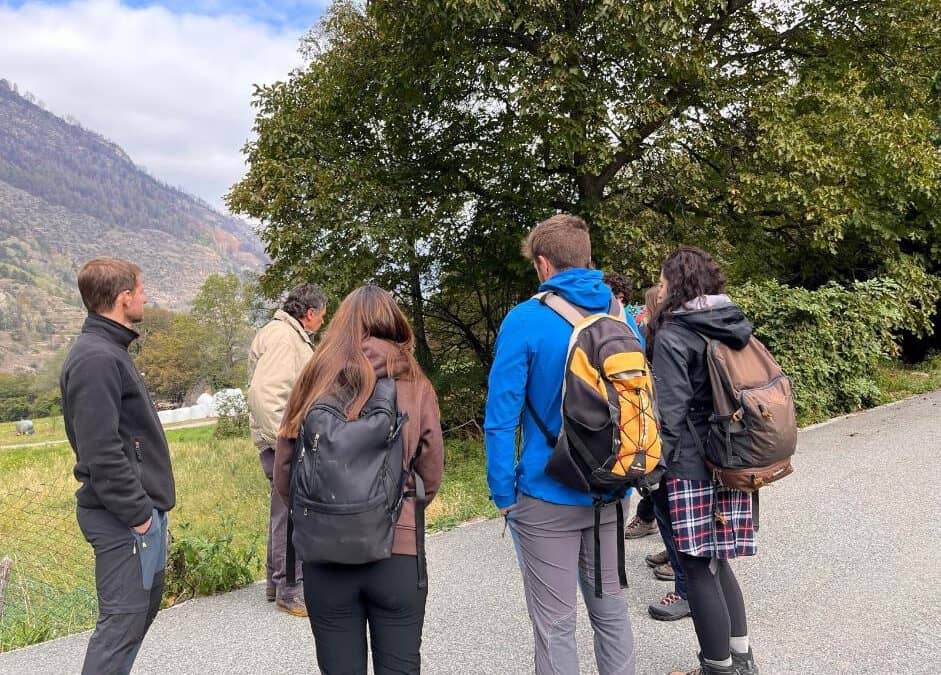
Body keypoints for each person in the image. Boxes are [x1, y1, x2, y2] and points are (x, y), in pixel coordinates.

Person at [485, 214, 637, 675]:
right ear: (588, 258)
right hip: (611, 487)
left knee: (555, 626)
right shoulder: (621, 315)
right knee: (611, 614)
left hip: (546, 489)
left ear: (544, 265)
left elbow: (500, 418)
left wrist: (503, 493)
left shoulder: (526, 320)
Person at [273, 284, 444, 675]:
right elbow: (430, 471)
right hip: (396, 553)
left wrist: (323, 513)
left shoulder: (312, 380)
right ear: (393, 324)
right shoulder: (414, 384)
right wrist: (395, 509)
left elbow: (286, 471)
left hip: (324, 555)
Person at [60, 258, 175, 675]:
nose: (145, 296)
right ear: (124, 298)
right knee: (120, 627)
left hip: (137, 515)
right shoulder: (96, 359)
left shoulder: (110, 349)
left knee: (135, 619)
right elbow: (101, 450)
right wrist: (140, 516)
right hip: (122, 519)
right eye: (141, 290)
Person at [648, 247, 759, 675]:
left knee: (695, 565)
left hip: (692, 464)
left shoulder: (675, 334)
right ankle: (741, 657)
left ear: (677, 285)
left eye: (661, 282)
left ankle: (717, 667)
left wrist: (653, 471)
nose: (658, 291)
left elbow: (670, 416)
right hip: (732, 454)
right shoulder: (731, 324)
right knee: (719, 559)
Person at [247, 282, 327, 616]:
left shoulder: (284, 333)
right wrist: (287, 440)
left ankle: (275, 581)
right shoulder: (284, 338)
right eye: (322, 315)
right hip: (286, 442)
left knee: (282, 511)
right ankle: (290, 588)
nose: (323, 321)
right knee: (293, 513)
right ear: (309, 314)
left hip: (280, 439)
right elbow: (267, 395)